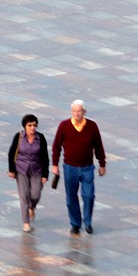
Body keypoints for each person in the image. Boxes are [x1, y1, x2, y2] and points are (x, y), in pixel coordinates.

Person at [50, 101, 106, 235]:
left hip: (87, 168)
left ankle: (87, 222)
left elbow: (98, 145)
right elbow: (56, 146)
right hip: (70, 168)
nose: (77, 113)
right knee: (71, 198)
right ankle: (75, 223)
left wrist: (102, 164)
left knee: (89, 195)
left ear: (84, 112)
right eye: (74, 111)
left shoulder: (92, 126)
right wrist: (55, 165)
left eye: (79, 111)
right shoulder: (64, 126)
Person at [7, 115, 49, 232]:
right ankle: (26, 222)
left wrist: (45, 174)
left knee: (35, 194)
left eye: (34, 125)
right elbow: (11, 153)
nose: (32, 128)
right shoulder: (19, 136)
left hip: (37, 169)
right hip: (21, 169)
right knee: (24, 195)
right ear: (25, 126)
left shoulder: (40, 138)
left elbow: (45, 157)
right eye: (29, 125)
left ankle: (32, 206)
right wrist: (11, 170)